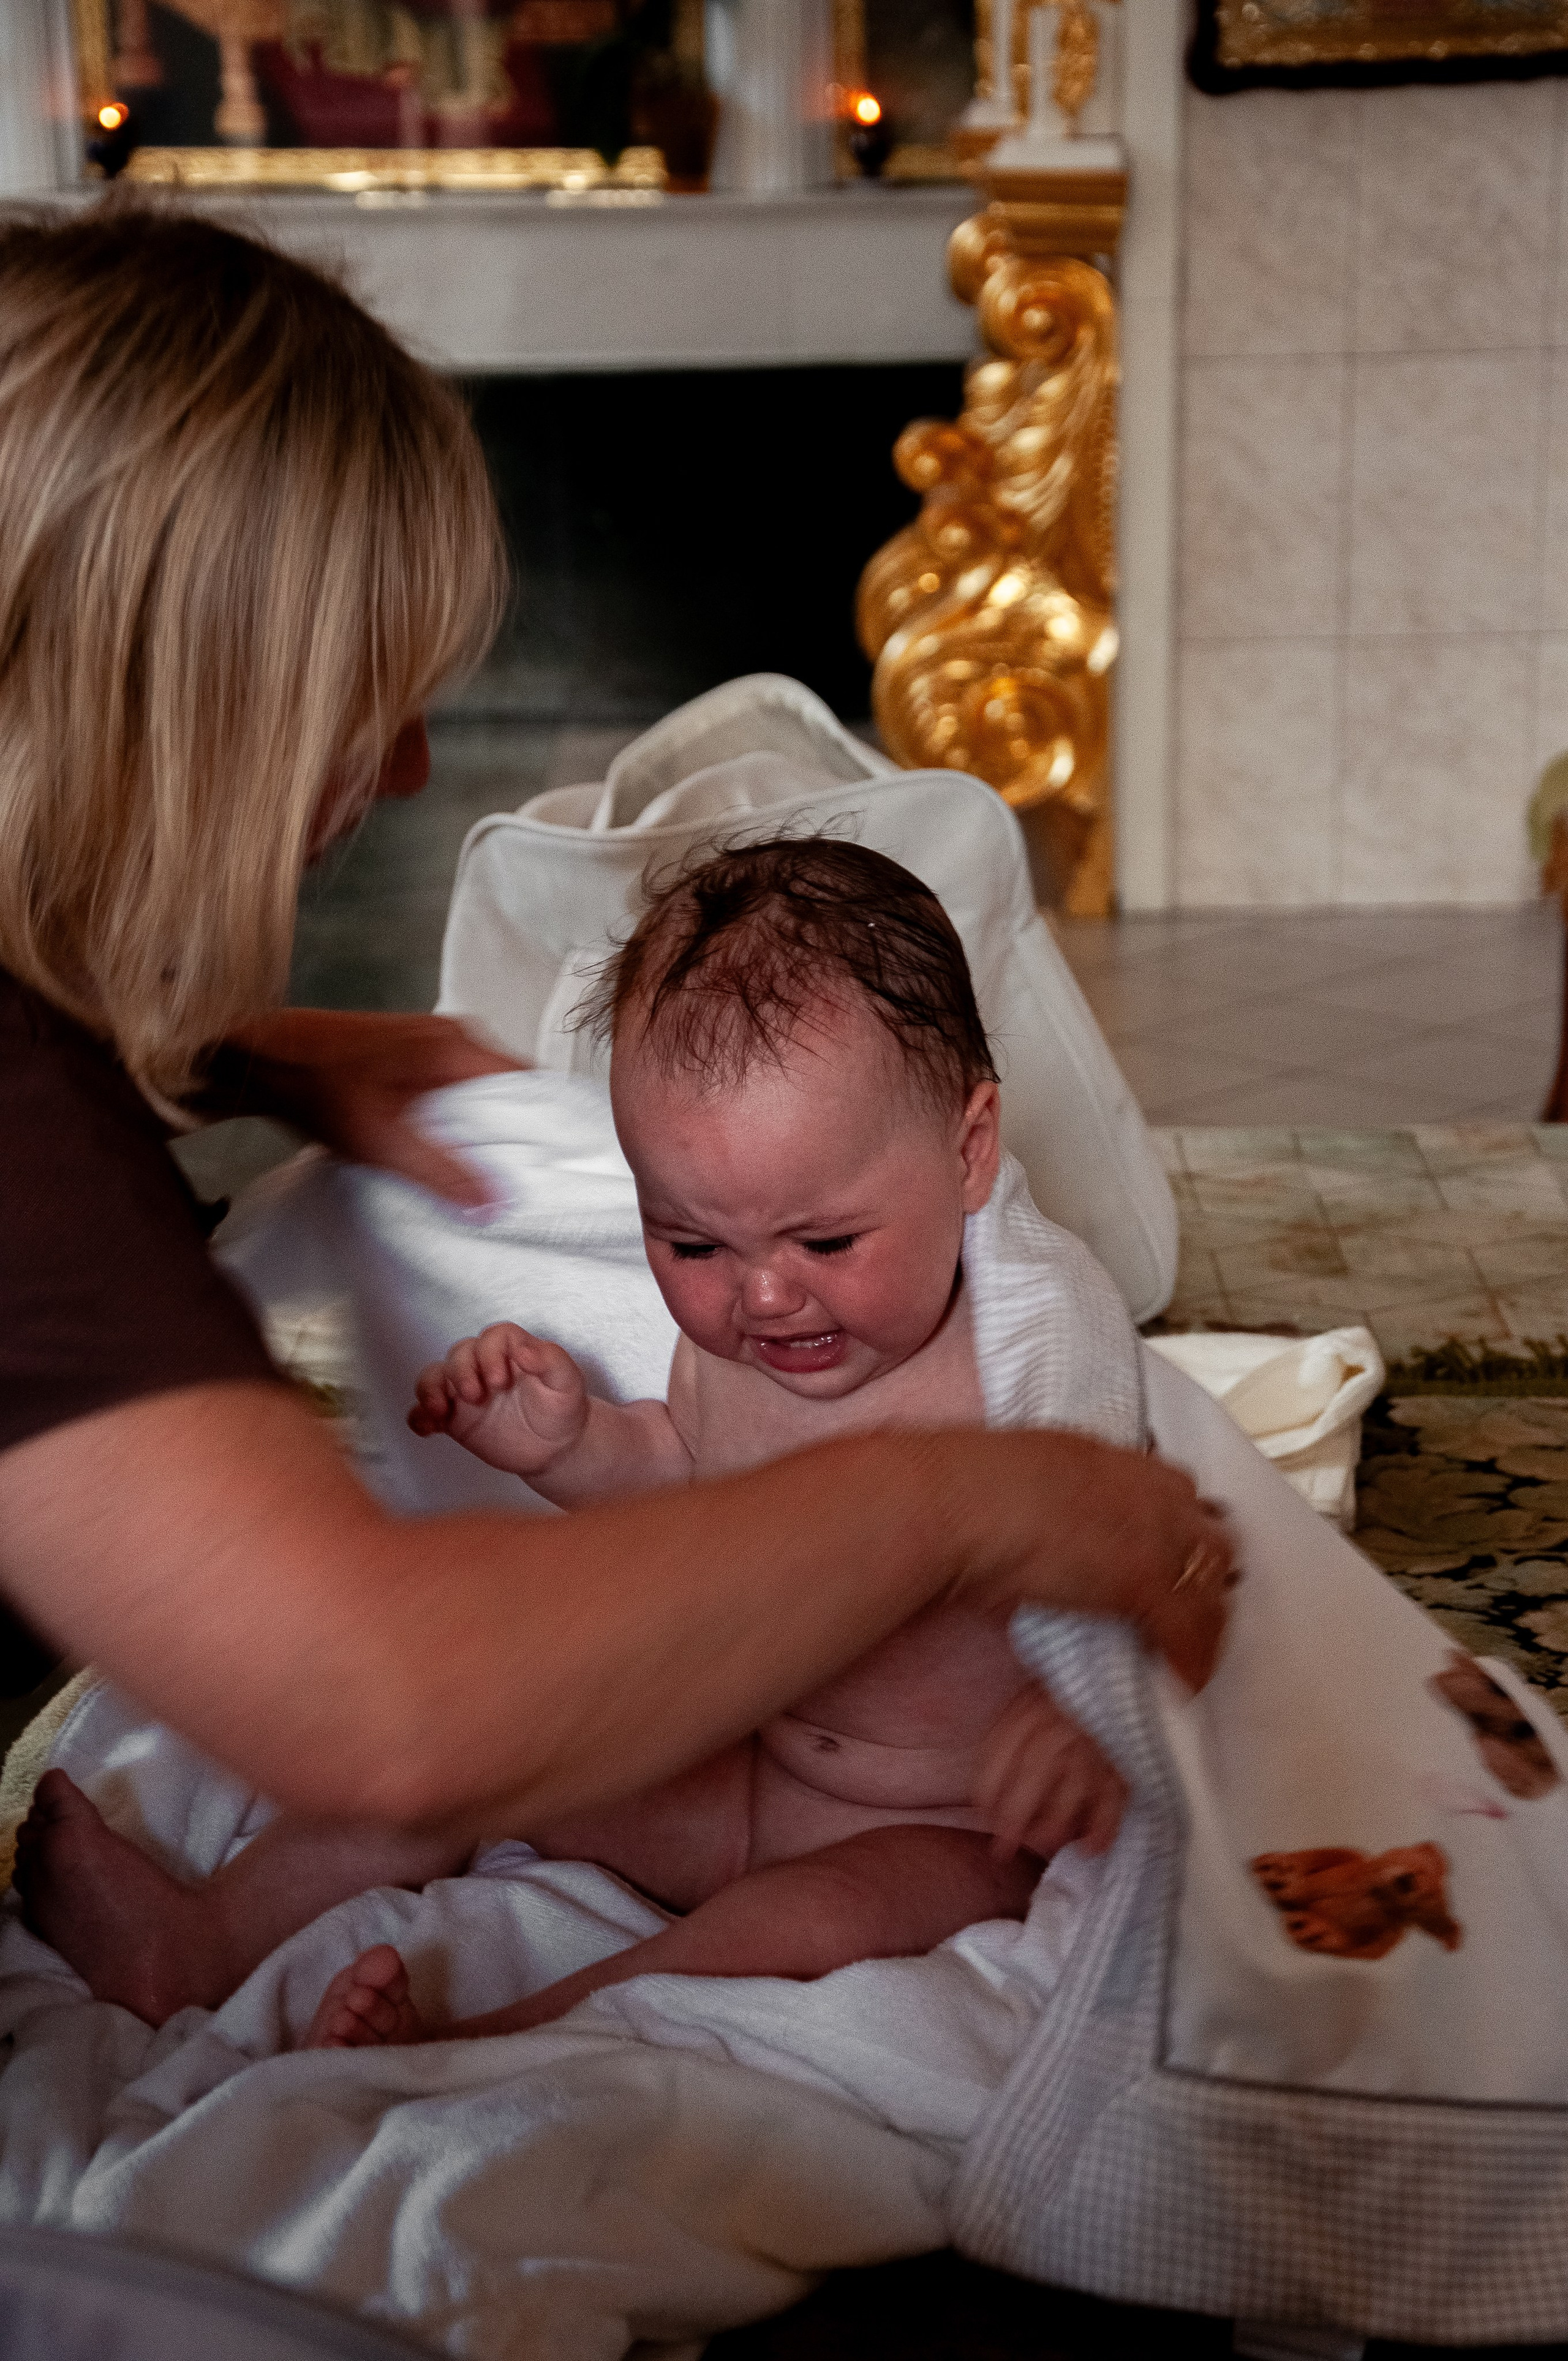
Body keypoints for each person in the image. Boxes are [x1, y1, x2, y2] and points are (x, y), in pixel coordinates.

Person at [0, 207, 1232, 2022]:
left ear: (968, 1153)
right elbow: (394, 1702)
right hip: (728, 1767)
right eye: (364, 703)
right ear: (167, 717)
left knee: (800, 1913)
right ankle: (253, 1956)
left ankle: (544, 2015)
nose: (410, 766)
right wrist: (952, 1505)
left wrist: (232, 1052)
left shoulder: (1024, 1334)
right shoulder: (28, 1158)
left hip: (894, 1824)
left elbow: (1141, 1662)